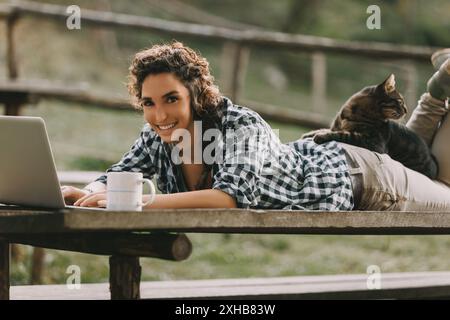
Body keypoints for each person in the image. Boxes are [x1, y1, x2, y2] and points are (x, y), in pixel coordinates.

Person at [62, 42, 450, 211]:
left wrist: (135, 203)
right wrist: (87, 191)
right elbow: (119, 175)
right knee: (426, 162)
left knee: (445, 188)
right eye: (148, 103)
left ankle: (439, 89)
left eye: (171, 99)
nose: (159, 115)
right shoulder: (157, 136)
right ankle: (438, 90)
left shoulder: (240, 126)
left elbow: (226, 198)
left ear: (195, 95)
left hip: (361, 180)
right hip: (338, 160)